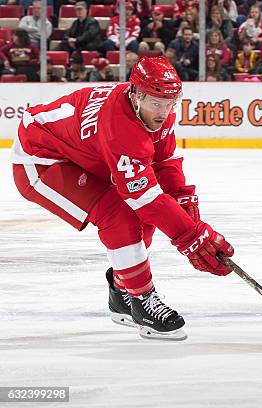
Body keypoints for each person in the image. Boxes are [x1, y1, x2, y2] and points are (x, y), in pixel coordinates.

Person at [10, 57, 235, 341]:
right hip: (40, 160)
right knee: (120, 213)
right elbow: (145, 199)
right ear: (135, 94)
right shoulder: (120, 127)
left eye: (170, 103)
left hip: (85, 155)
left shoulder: (152, 110)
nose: (163, 112)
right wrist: (190, 236)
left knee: (143, 212)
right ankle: (141, 300)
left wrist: (182, 203)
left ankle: (122, 290)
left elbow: (165, 162)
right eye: (156, 103)